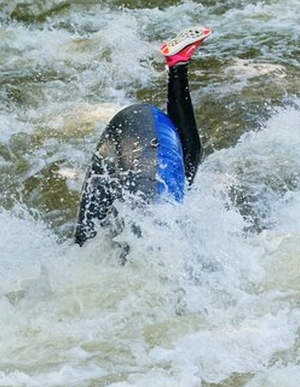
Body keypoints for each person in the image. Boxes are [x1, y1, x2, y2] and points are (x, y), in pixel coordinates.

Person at [74, 26, 211, 246]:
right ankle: (178, 63)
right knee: (148, 235)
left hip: (132, 129)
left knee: (86, 244)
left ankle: (178, 63)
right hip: (136, 132)